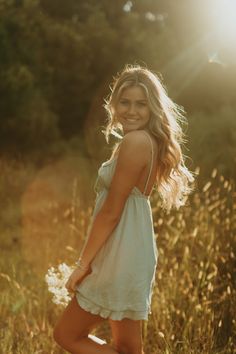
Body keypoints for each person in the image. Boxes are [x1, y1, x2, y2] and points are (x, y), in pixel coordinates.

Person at [53, 64, 194, 354]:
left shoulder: (135, 141)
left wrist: (82, 266)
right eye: (125, 102)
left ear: (153, 107)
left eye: (141, 104)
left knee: (66, 335)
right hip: (131, 251)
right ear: (114, 104)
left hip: (120, 253)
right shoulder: (146, 141)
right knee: (128, 348)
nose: (132, 110)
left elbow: (111, 212)